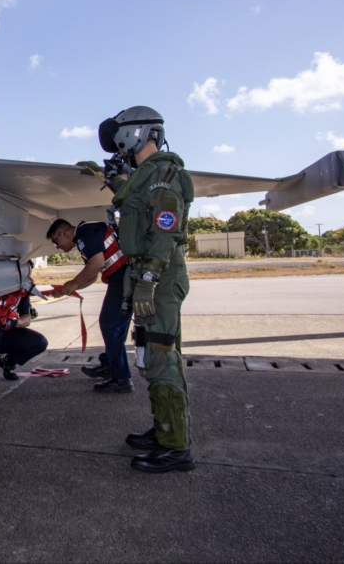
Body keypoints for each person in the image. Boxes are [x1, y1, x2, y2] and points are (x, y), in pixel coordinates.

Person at [95, 105, 196, 473]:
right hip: (148, 276)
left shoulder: (165, 175)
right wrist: (116, 181)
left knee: (160, 360)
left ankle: (176, 449)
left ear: (134, 134)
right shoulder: (148, 177)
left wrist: (148, 282)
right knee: (156, 358)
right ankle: (165, 430)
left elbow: (164, 232)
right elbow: (140, 210)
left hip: (160, 278)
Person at [45, 218, 133, 393]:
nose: (56, 246)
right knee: (114, 326)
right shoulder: (84, 240)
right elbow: (91, 275)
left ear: (64, 233)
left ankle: (121, 379)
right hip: (122, 278)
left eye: (56, 241)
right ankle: (110, 366)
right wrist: (67, 288)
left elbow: (97, 263)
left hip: (123, 278)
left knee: (110, 325)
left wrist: (73, 283)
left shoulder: (85, 231)